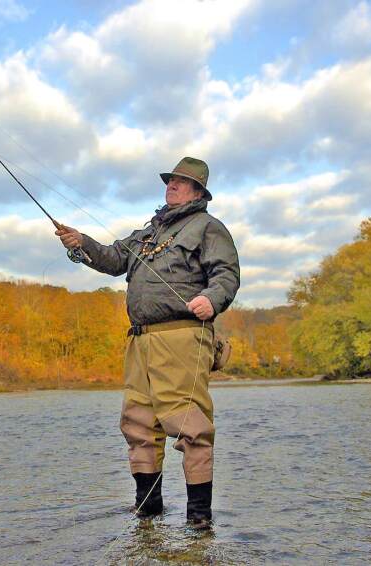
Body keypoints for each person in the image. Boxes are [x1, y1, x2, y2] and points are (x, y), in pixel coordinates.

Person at [55, 157, 240, 528]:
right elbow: (112, 258)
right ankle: (148, 511)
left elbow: (226, 274)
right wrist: (81, 243)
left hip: (182, 336)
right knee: (138, 423)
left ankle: (198, 519)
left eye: (181, 182)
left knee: (190, 424)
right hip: (139, 340)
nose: (172, 185)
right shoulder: (146, 234)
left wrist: (212, 299)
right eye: (170, 180)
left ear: (199, 191)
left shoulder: (208, 227)